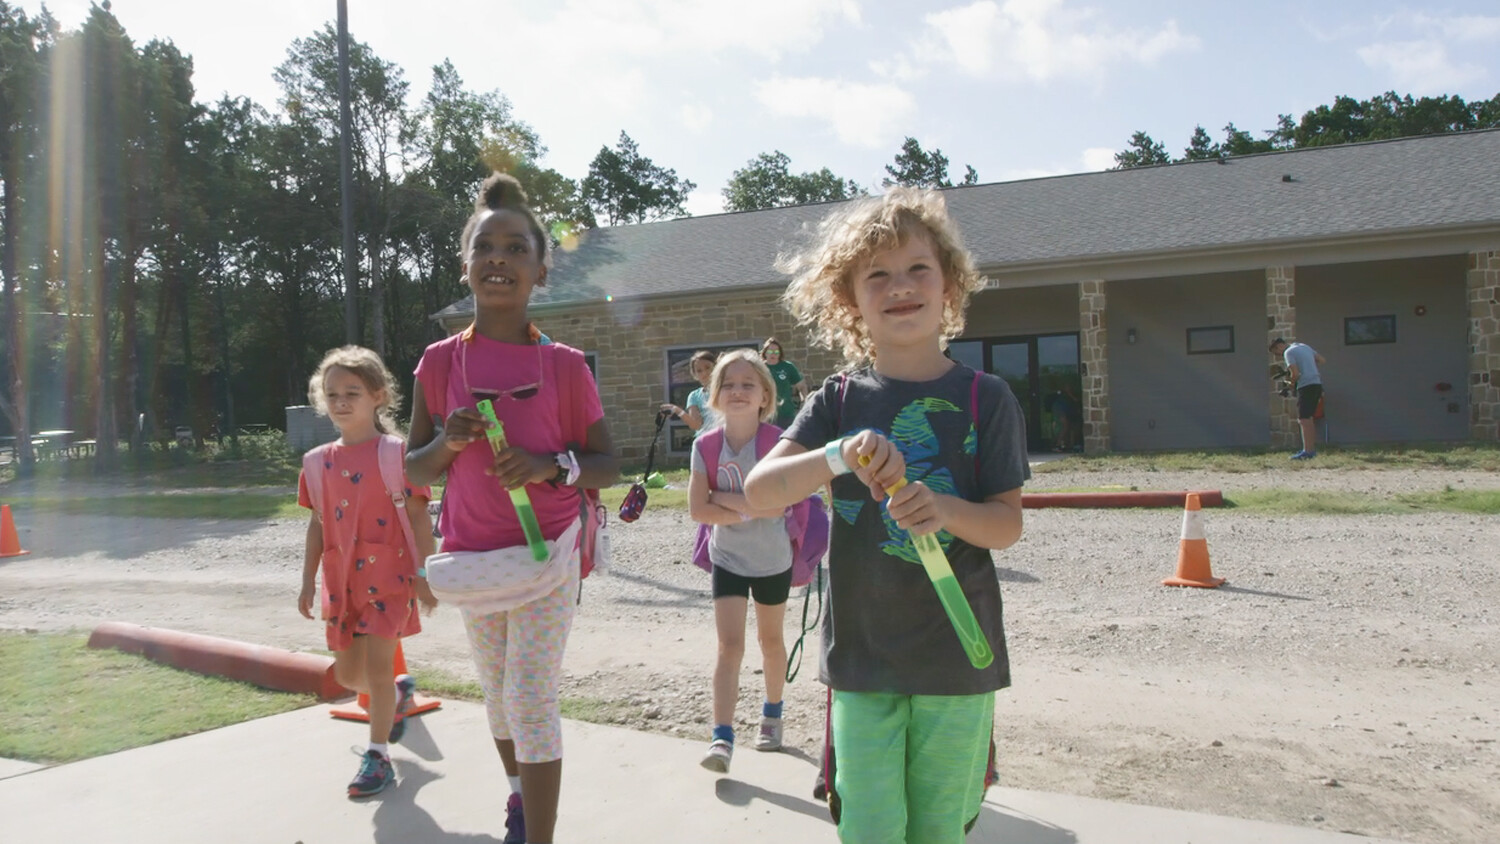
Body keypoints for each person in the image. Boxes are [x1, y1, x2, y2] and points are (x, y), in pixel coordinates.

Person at [743, 187, 1029, 842]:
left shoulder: (989, 398)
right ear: (849, 299)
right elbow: (761, 492)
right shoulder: (837, 402)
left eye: (917, 270)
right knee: (869, 828)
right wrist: (838, 455)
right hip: (861, 663)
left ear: (950, 285)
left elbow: (1006, 526)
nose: (899, 287)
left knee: (937, 830)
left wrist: (945, 509)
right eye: (878, 276)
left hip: (960, 659)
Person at [406, 173, 620, 844]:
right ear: (466, 265)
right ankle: (519, 800)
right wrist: (449, 440)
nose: (499, 257)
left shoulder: (564, 367)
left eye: (516, 247)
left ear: (540, 269)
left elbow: (606, 464)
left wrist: (550, 467)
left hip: (547, 555)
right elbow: (412, 468)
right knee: (498, 700)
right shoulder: (439, 363)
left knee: (529, 697)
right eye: (485, 246)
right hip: (475, 561)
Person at [298, 345, 438, 798]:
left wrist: (424, 571)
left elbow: (419, 516)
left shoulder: (398, 454)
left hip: (390, 577)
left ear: (378, 396)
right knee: (347, 676)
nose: (340, 401)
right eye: (332, 393)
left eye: (352, 392)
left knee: (376, 671)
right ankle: (396, 694)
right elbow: (317, 523)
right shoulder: (317, 461)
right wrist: (306, 580)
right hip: (341, 582)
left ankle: (378, 758)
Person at [688, 348, 794, 773]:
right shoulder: (706, 445)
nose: (738, 391)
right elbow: (698, 510)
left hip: (772, 559)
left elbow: (778, 507)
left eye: (748, 384)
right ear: (714, 396)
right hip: (728, 556)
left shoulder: (778, 444)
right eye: (728, 384)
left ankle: (772, 713)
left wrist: (724, 500)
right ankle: (722, 737)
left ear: (765, 396)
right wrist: (751, 504)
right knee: (729, 645)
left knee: (771, 642)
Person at [1269, 337, 1326, 460]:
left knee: (1303, 419)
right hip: (1317, 383)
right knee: (1308, 417)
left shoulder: (1288, 352)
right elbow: (1322, 360)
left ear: (1278, 347)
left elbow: (1295, 373)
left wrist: (1289, 385)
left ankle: (1308, 451)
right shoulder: (1303, 346)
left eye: (1276, 353)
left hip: (1306, 385)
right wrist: (1308, 365)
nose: (1279, 355)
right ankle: (1310, 449)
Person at [661, 349, 720, 437]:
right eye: (699, 371)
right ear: (695, 375)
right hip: (706, 443)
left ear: (716, 367)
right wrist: (677, 410)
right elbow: (696, 425)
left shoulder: (726, 390)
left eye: (707, 367)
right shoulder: (694, 396)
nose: (704, 373)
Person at [761, 337, 807, 428]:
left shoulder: (787, 367)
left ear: (780, 354)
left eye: (776, 352)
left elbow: (801, 386)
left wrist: (804, 402)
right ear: (765, 353)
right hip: (765, 414)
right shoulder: (760, 368)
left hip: (786, 414)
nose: (773, 354)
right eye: (770, 351)